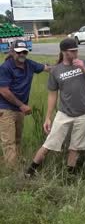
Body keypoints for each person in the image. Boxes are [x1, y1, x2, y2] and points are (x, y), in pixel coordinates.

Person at [25, 38, 85, 176]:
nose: (76, 53)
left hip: (84, 113)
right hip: (64, 113)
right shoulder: (56, 70)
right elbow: (52, 95)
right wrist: (48, 118)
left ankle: (69, 175)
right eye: (72, 51)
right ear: (64, 52)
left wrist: (83, 69)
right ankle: (30, 171)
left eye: (76, 50)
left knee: (75, 147)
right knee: (49, 144)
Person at [0, 40, 49, 168]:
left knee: (17, 140)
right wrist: (21, 105)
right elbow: (4, 91)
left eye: (24, 52)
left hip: (20, 109)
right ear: (12, 52)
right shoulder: (5, 67)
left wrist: (64, 67)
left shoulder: (29, 64)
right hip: (5, 109)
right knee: (9, 142)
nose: (22, 54)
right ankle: (13, 171)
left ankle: (15, 164)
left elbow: (46, 68)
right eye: (19, 52)